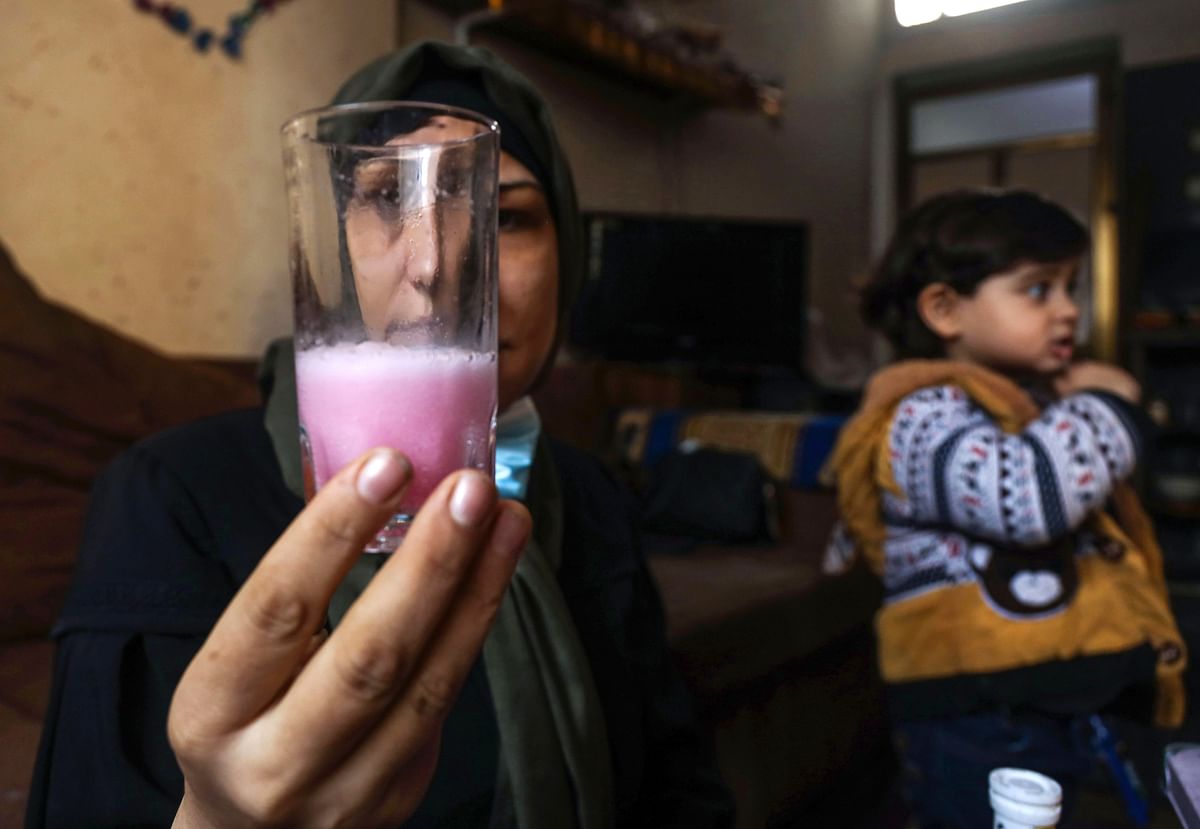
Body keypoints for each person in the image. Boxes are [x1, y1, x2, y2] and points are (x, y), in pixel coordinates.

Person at [27, 40, 734, 828]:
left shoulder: (591, 496)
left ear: (567, 261)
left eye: (504, 215)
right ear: (330, 248)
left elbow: (680, 794)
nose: (437, 263)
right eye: (388, 199)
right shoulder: (167, 494)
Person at [825, 188, 1187, 827]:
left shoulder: (1028, 404)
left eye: (1071, 288)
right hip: (979, 713)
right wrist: (1112, 404)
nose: (1069, 311)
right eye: (1038, 290)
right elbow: (1028, 499)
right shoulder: (917, 414)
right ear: (944, 309)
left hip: (1049, 696)